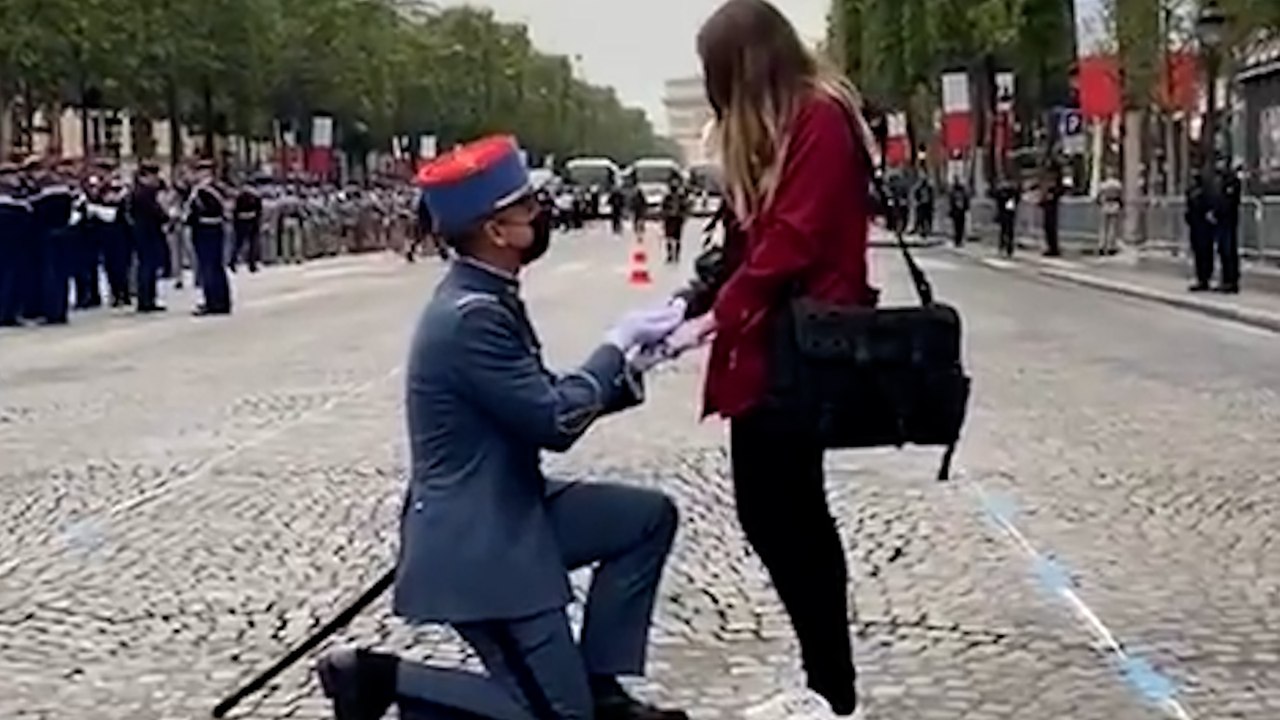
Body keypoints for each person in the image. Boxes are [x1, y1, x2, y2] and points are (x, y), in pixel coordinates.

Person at [317, 135, 689, 720]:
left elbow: (534, 400)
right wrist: (615, 347)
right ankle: (383, 677)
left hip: (509, 510)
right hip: (481, 543)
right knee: (555, 717)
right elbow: (553, 419)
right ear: (495, 230)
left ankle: (601, 688)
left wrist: (635, 364)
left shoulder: (485, 297)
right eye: (526, 209)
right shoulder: (473, 316)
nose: (539, 216)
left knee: (645, 520)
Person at [664, 1, 880, 717]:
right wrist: (695, 299)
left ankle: (831, 686)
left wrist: (722, 312)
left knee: (784, 514)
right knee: (783, 514)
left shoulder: (817, 120)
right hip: (775, 340)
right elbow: (748, 240)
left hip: (798, 346)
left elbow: (792, 238)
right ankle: (826, 681)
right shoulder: (789, 124)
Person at [185, 160, 232, 315]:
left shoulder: (205, 191)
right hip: (214, 229)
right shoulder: (215, 188)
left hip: (206, 230)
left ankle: (214, 302)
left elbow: (201, 212)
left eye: (199, 172)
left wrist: (189, 219)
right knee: (215, 266)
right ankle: (220, 301)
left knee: (209, 267)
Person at [947, 179, 969, 247]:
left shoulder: (953, 193)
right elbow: (966, 202)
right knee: (960, 227)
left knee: (957, 227)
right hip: (959, 212)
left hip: (957, 212)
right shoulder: (962, 193)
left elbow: (951, 203)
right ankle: (958, 240)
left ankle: (957, 240)